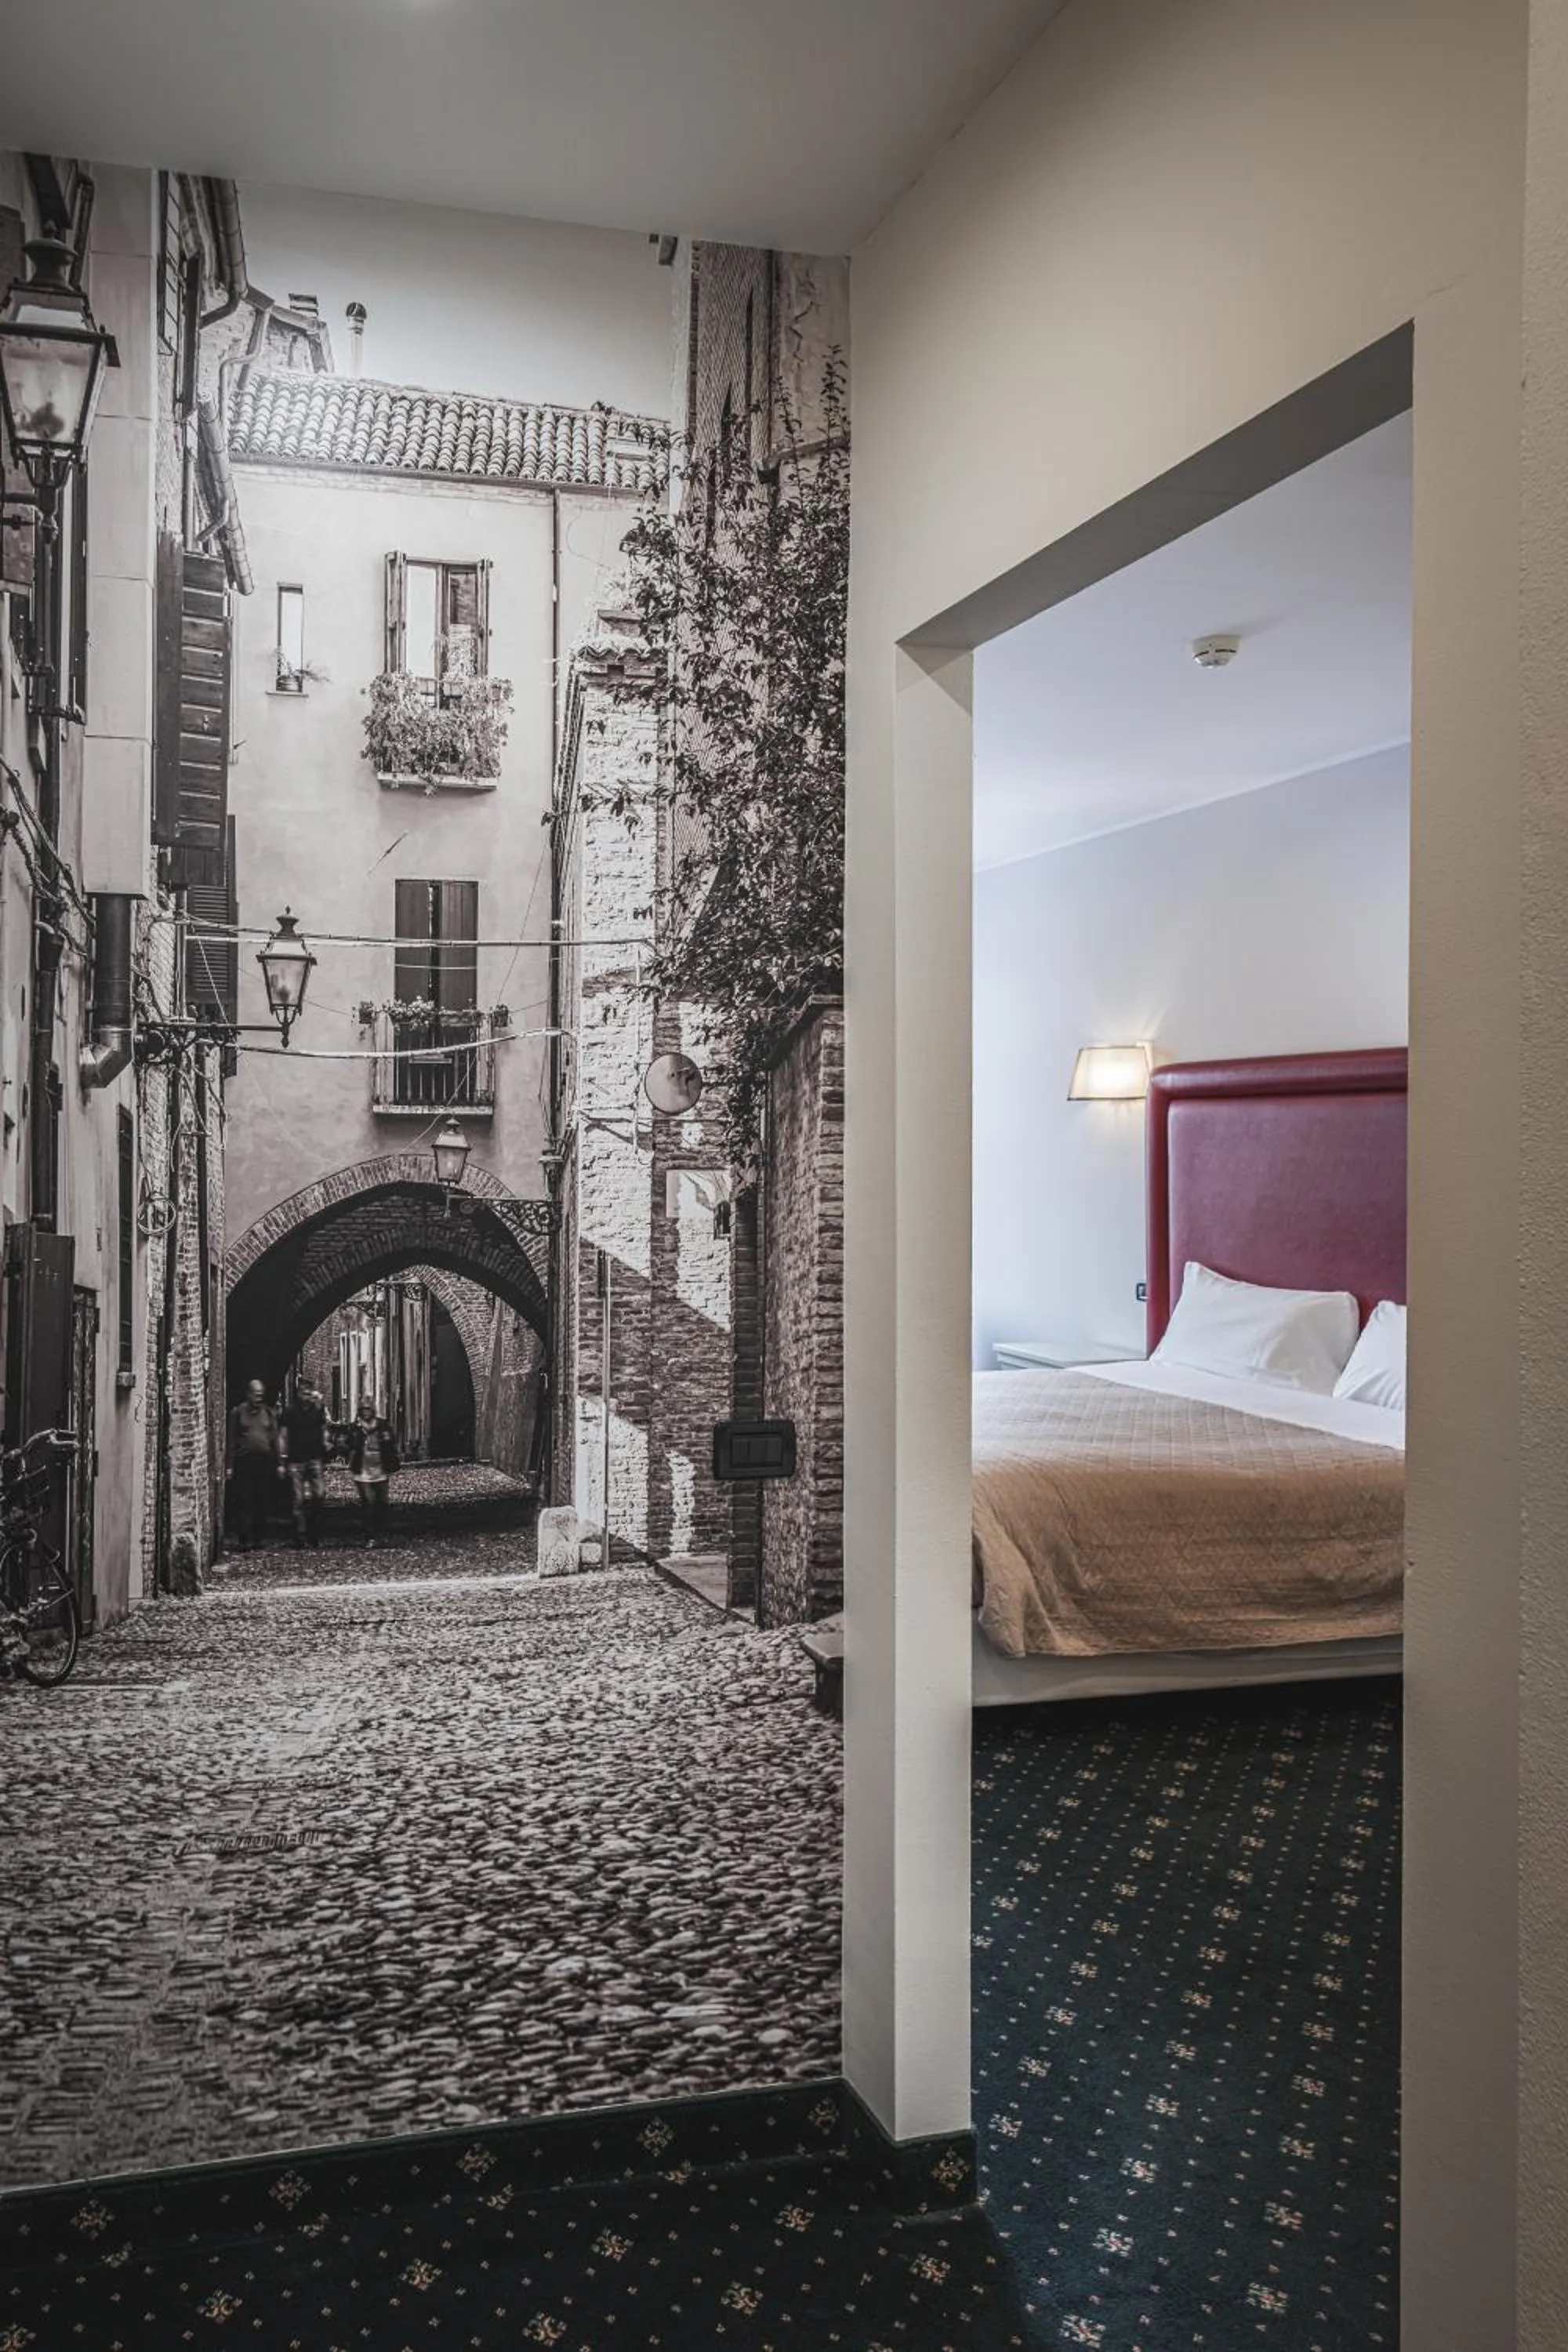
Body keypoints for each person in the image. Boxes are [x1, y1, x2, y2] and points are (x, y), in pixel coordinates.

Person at [226, 1378, 281, 1551]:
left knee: (262, 1500)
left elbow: (275, 1439)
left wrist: (279, 1462)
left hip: (264, 1463)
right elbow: (231, 1440)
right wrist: (229, 1465)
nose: (258, 1398)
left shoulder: (268, 1413)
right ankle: (244, 1538)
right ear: (248, 1394)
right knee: (244, 1500)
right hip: (244, 1462)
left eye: (261, 1395)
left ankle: (258, 1538)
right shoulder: (238, 1413)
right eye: (256, 1394)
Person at [279, 1377, 330, 1549]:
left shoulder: (318, 1412)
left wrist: (325, 1445)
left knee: (320, 1494)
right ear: (298, 1393)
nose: (306, 1395)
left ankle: (313, 1531)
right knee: (298, 1499)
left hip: (315, 1458)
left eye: (309, 1392)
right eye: (303, 1392)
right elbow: (283, 1435)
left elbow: (324, 1431)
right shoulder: (289, 1412)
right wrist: (283, 1458)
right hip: (296, 1460)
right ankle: (300, 1536)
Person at [345, 1392, 399, 1548]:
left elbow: (391, 1443)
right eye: (364, 1409)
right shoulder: (356, 1427)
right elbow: (349, 1444)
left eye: (368, 1409)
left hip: (380, 1469)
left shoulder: (382, 1425)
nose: (366, 1412)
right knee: (369, 1502)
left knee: (382, 1502)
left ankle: (380, 1532)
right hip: (362, 1471)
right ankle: (370, 1535)